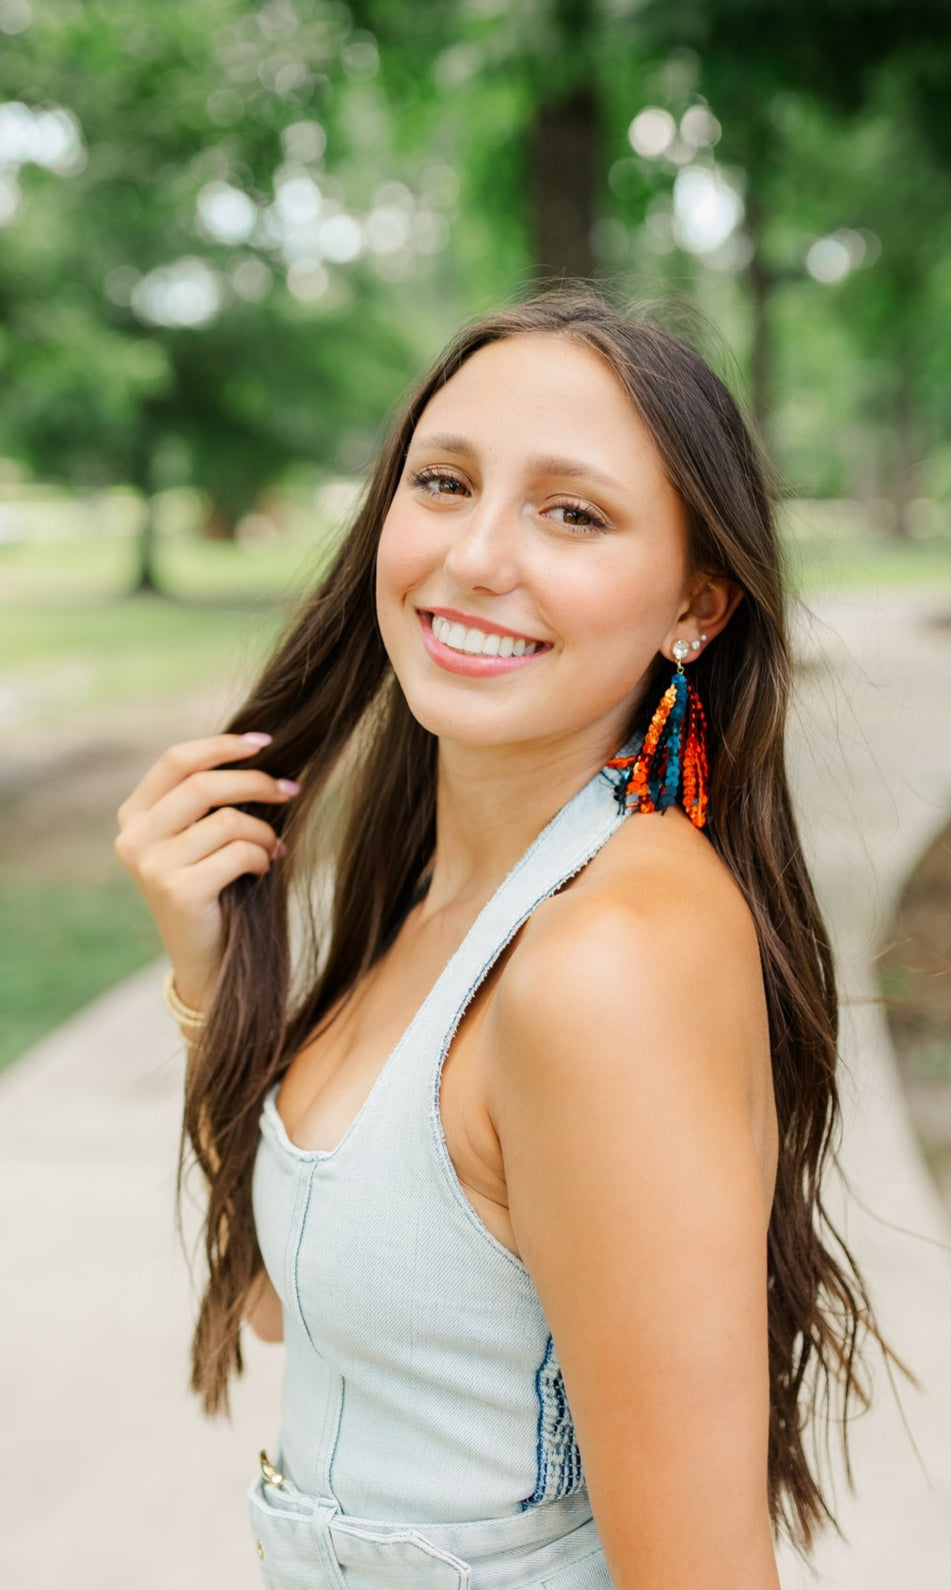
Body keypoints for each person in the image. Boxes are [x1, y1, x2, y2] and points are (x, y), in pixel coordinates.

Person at [114, 284, 903, 1588]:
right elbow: (285, 1304)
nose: (478, 554)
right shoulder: (440, 903)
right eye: (444, 481)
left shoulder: (609, 959)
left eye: (571, 512)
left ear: (695, 607)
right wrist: (209, 970)